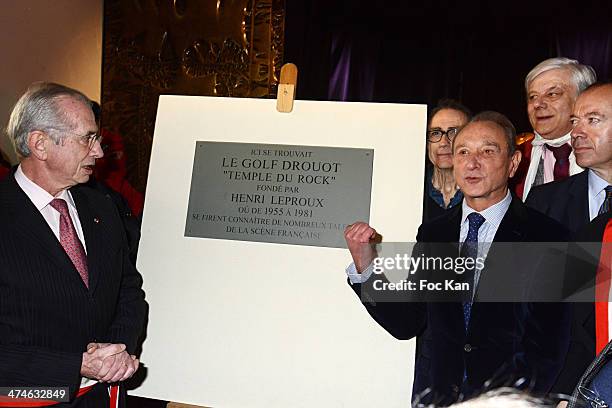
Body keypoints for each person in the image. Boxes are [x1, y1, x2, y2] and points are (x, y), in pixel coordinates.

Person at [344, 111, 571, 406]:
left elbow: (549, 346)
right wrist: (366, 264)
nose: (472, 163)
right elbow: (407, 323)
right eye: (463, 152)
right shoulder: (434, 233)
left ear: (513, 163)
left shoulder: (549, 236)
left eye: (488, 151)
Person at [0, 82, 147, 407]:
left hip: (100, 395)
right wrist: (74, 364)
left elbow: (128, 289)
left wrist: (116, 349)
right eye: (87, 139)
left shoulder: (102, 205)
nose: (98, 152)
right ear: (40, 144)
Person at [526, 83, 612, 394]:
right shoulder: (543, 204)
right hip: (560, 384)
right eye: (575, 121)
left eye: (593, 119)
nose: (576, 131)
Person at [512, 58, 596, 200]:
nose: (537, 104)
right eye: (532, 97)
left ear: (582, 99)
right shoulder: (517, 157)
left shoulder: (603, 153)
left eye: (552, 94)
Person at [423, 99, 471, 221]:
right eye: (436, 133)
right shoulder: (410, 185)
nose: (443, 143)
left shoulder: (483, 191)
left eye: (454, 132)